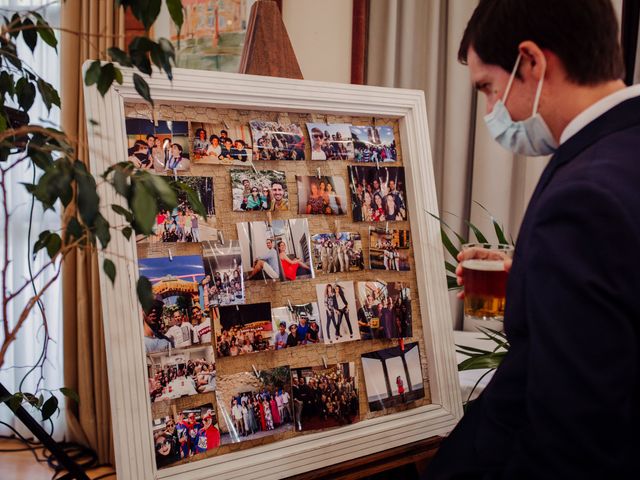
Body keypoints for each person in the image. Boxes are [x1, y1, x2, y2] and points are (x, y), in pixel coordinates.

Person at [426, 1, 640, 479]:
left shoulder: (584, 198)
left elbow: (572, 434)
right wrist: (528, 279)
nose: (488, 111)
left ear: (532, 62)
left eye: (487, 88)